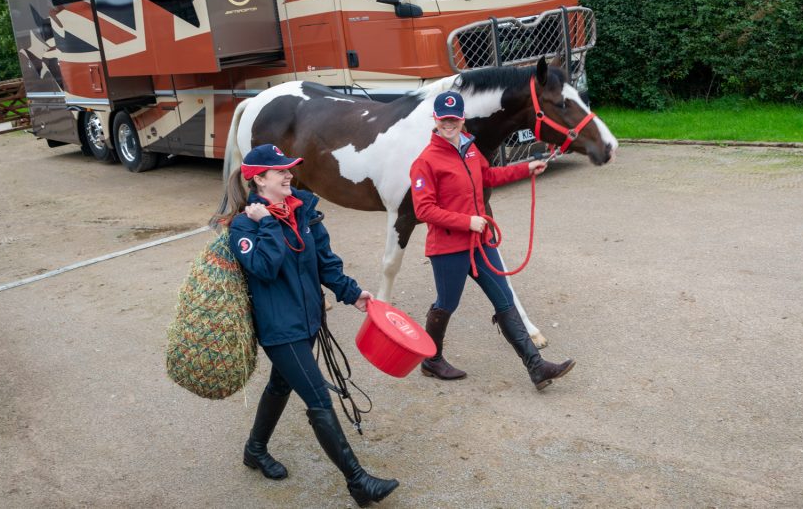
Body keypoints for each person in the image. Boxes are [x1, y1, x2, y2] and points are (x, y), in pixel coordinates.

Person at [214, 143, 398, 507]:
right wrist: (266, 223)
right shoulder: (242, 226)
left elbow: (325, 264)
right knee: (316, 398)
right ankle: (358, 482)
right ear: (258, 179)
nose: (289, 175)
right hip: (281, 330)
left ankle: (254, 449)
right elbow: (264, 268)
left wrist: (352, 293)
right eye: (280, 171)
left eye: (289, 169)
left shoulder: (303, 210)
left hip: (310, 319)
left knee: (281, 384)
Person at [409, 91, 576, 391]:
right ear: (435, 120)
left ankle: (536, 367)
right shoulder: (425, 162)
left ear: (462, 120)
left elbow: (490, 177)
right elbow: (424, 210)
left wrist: (526, 168)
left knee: (504, 301)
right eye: (444, 119)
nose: (450, 124)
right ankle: (432, 360)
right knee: (446, 303)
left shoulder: (471, 151)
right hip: (448, 249)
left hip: (481, 244)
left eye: (455, 119)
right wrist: (466, 221)